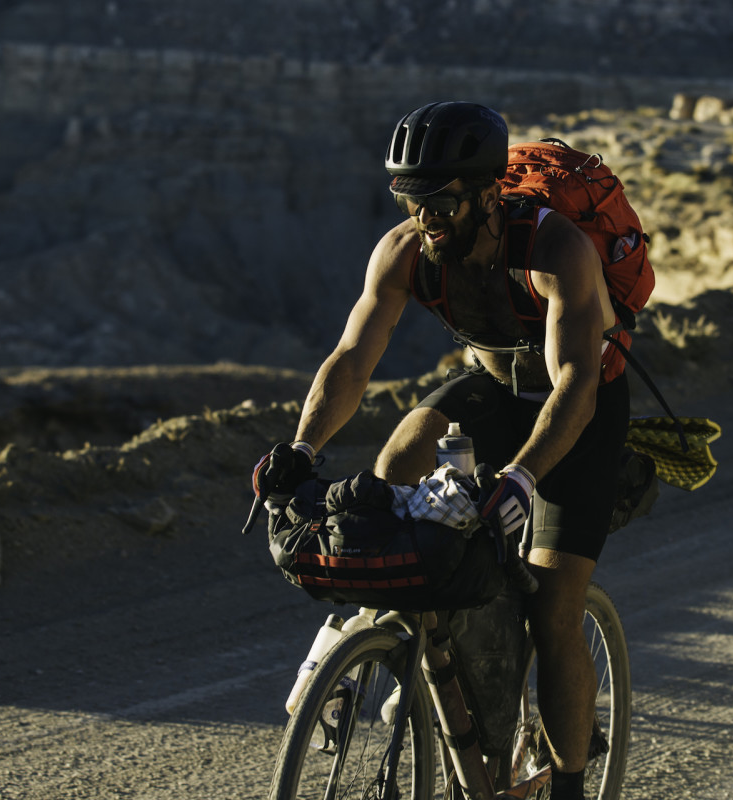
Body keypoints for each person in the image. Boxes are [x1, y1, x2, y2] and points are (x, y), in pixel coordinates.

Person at [257, 101, 629, 800]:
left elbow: (576, 381)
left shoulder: (555, 250)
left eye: (440, 202)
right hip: (491, 382)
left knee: (553, 606)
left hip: (579, 406)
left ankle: (572, 784)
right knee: (389, 477)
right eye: (410, 200)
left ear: (489, 193)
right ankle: (394, 646)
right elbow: (351, 358)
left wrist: (521, 478)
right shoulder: (406, 252)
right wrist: (302, 448)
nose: (425, 218)